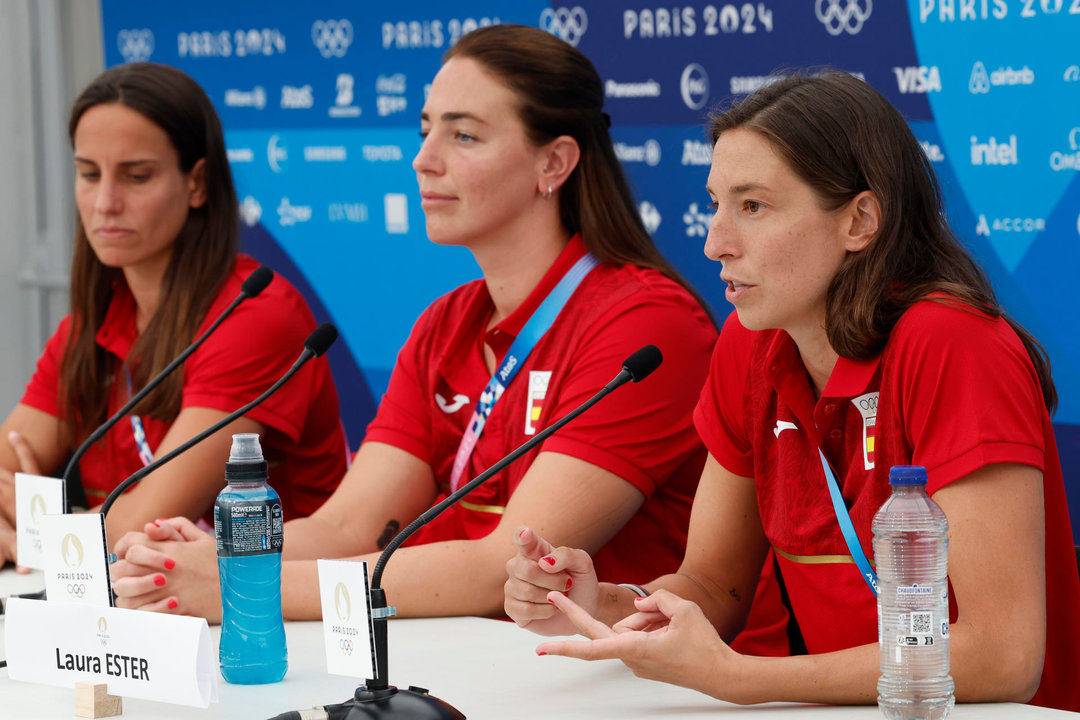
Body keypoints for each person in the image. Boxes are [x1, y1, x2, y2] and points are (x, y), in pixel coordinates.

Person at [107, 26, 787, 652]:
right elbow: (350, 528)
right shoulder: (447, 322)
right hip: (478, 666)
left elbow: (503, 569)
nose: (423, 161)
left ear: (554, 163)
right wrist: (207, 556)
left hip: (625, 686)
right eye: (426, 129)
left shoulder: (646, 323)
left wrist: (239, 586)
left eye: (463, 137)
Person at [504, 71, 1080, 712]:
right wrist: (601, 601)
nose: (714, 242)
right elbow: (712, 586)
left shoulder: (955, 344)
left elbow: (1003, 656)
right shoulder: (749, 347)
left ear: (860, 220)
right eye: (717, 203)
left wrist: (741, 680)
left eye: (753, 206)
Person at [0, 63, 347, 565]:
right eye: (88, 174)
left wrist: (38, 526)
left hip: (274, 619)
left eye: (136, 176)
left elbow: (143, 525)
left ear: (198, 183)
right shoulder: (90, 323)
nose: (105, 203)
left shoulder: (253, 315)